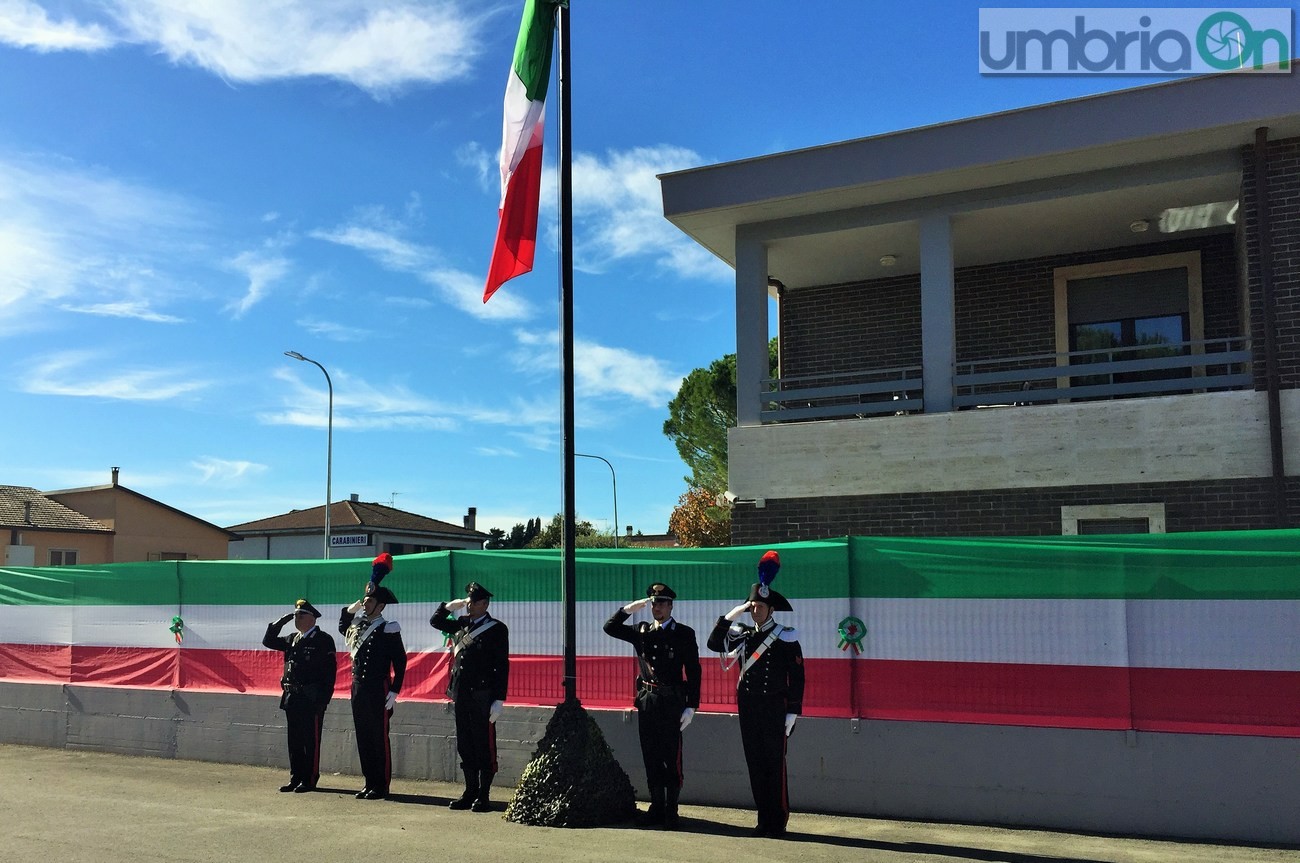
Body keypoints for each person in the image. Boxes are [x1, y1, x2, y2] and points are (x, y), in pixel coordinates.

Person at [706, 551, 804, 838]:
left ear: (772, 608)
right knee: (755, 764)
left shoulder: (786, 636)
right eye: (752, 607)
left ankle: (778, 819)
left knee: (775, 765)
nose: (756, 611)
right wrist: (733, 614)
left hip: (775, 707)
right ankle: (763, 819)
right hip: (749, 708)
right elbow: (714, 643)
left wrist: (793, 710)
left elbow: (797, 677)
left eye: (760, 606)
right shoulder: (743, 633)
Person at [603, 581, 701, 829]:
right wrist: (627, 610)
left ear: (670, 606)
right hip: (648, 701)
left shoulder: (684, 633)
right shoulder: (642, 631)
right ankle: (657, 807)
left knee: (672, 757)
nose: (656, 607)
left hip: (672, 702)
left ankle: (671, 810)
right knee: (651, 756)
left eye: (661, 603)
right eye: (653, 603)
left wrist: (692, 705)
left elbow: (693, 671)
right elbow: (610, 628)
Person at [430, 581, 509, 812]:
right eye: (468, 601)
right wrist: (447, 607)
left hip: (483, 694)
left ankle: (484, 795)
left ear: (484, 604)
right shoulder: (462, 624)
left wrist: (499, 698)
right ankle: (470, 791)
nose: (469, 605)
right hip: (461, 692)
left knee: (484, 744)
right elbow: (436, 622)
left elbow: (502, 665)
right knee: (465, 744)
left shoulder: (496, 628)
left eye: (473, 602)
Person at [339, 553, 406, 801]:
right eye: (365, 600)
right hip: (359, 688)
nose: (365, 604)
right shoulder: (358, 626)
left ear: (381, 605)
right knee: (363, 735)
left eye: (369, 601)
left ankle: (381, 785)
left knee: (378, 738)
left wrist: (395, 690)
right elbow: (342, 626)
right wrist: (349, 610)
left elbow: (400, 662)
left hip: (379, 688)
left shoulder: (388, 628)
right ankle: (369, 782)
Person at [262, 598, 337, 793]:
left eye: (300, 615)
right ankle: (295, 777)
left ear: (312, 618)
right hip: (292, 697)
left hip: (311, 699)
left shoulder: (323, 640)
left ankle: (310, 779)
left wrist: (323, 700)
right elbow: (268, 641)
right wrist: (281, 621)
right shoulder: (291, 639)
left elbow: (330, 673)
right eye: (295, 615)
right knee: (294, 741)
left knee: (310, 741)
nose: (297, 618)